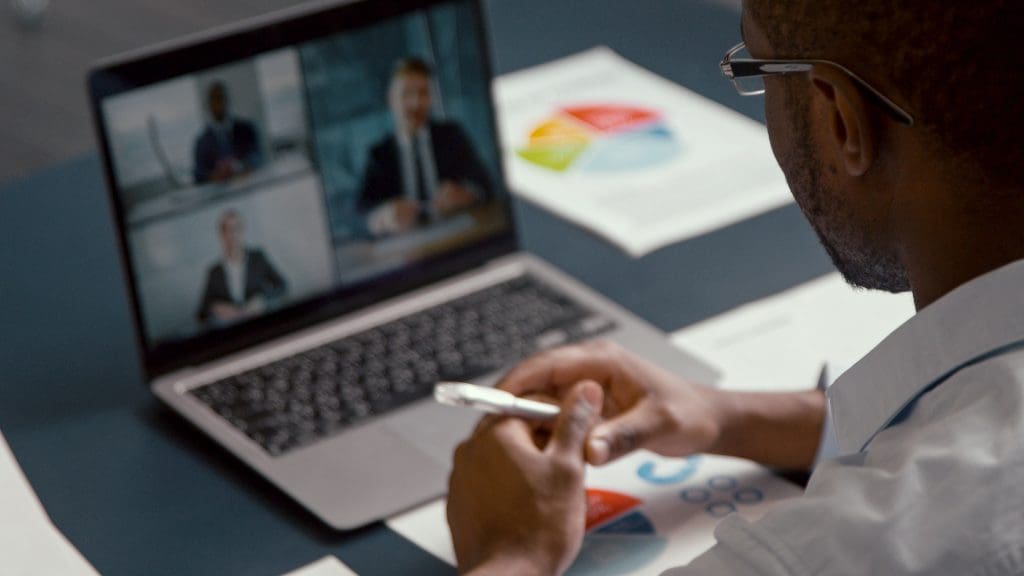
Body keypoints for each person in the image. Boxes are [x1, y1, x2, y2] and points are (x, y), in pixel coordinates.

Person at [447, 1, 1024, 574]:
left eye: (757, 70)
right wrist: (732, 418)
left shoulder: (847, 551)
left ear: (841, 121)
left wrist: (513, 553)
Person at [358, 57, 492, 237]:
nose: (416, 103)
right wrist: (382, 216)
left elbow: (485, 185)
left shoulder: (452, 135)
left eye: (423, 93)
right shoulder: (379, 154)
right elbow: (361, 212)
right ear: (391, 99)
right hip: (405, 244)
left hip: (457, 235)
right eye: (406, 94)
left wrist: (467, 194)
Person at [196, 210, 286, 325]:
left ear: (243, 231)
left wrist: (263, 301)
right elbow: (201, 313)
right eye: (228, 230)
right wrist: (216, 309)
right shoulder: (214, 272)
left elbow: (282, 286)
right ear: (222, 235)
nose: (233, 234)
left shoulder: (258, 258)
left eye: (237, 228)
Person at [193, 82, 264, 184]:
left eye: (220, 98)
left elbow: (258, 156)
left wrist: (242, 166)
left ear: (227, 100)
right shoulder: (202, 142)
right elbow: (198, 175)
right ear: (209, 105)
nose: (218, 104)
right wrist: (214, 175)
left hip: (249, 185)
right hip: (220, 191)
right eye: (214, 99)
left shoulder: (246, 128)